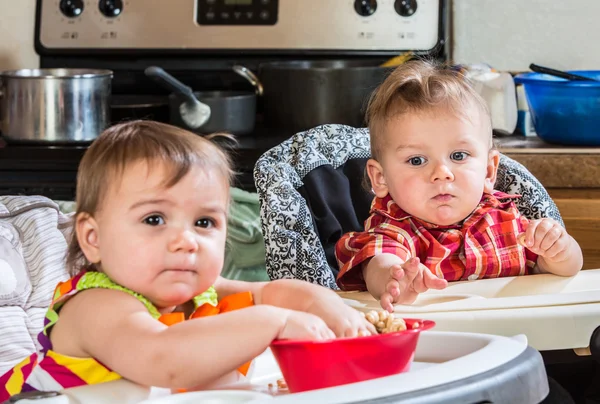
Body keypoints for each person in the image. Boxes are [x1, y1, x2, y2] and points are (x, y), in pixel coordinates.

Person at [0, 120, 374, 400]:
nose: (185, 241)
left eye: (204, 222)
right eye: (154, 219)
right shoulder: (96, 307)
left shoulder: (199, 294)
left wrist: (323, 303)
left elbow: (269, 292)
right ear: (93, 239)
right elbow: (164, 358)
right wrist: (276, 321)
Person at [335, 60, 583, 313]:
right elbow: (380, 262)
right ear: (381, 178)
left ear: (488, 170)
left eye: (458, 156)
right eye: (417, 160)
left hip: (517, 342)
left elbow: (562, 271)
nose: (441, 173)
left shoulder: (509, 222)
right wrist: (396, 278)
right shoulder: (393, 230)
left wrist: (558, 250)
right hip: (436, 347)